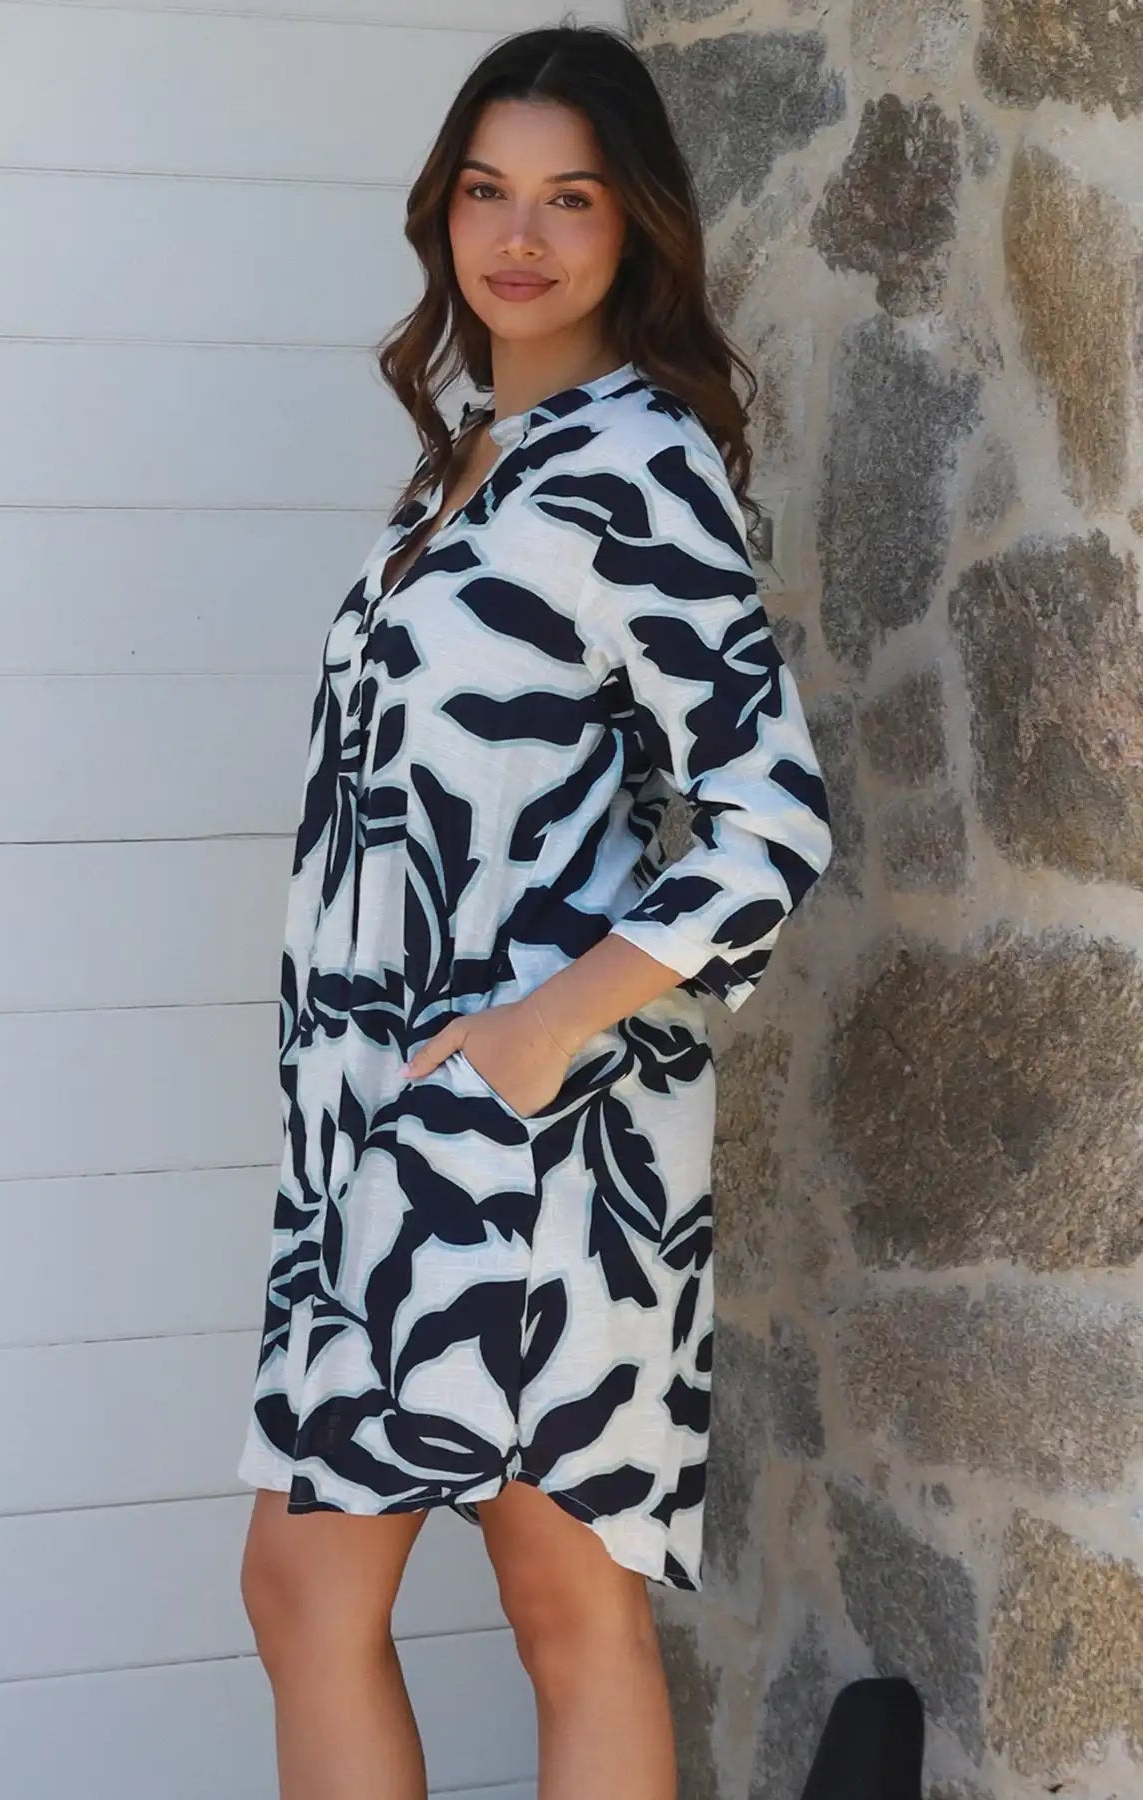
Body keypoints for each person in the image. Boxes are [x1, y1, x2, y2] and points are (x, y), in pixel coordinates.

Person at [236, 23, 831, 1800]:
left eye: (570, 198)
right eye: (488, 193)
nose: (522, 235)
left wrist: (533, 1032)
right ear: (443, 216)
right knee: (323, 1588)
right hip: (378, 1127)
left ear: (632, 227)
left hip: (536, 1128)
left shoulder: (639, 466)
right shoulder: (460, 472)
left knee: (550, 1606)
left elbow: (769, 814)